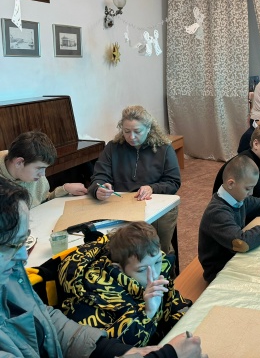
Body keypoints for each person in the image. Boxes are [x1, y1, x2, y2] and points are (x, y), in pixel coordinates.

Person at [0, 177, 205, 358]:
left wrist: (188, 324)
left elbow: (51, 324)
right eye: (11, 245)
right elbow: (114, 336)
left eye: (25, 240)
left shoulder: (11, 278)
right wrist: (148, 318)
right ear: (119, 268)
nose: (23, 257)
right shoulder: (94, 296)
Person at [59, 222, 191, 347]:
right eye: (142, 270)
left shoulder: (153, 265)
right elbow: (111, 350)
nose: (155, 274)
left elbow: (174, 305)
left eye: (157, 262)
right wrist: (147, 313)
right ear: (119, 268)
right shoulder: (93, 298)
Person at [88, 105, 181, 255]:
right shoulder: (113, 148)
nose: (131, 137)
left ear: (148, 129)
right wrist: (98, 189)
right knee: (113, 248)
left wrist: (152, 188)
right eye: (126, 131)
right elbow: (99, 177)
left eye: (137, 131)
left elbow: (173, 182)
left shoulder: (164, 148)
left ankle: (161, 260)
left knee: (152, 249)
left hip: (154, 204)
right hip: (120, 204)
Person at [0, 131, 87, 208]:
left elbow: (43, 200)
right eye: (39, 168)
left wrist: (65, 189)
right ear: (19, 162)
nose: (42, 174)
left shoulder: (32, 175)